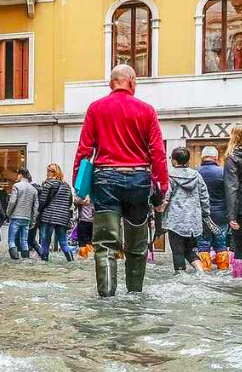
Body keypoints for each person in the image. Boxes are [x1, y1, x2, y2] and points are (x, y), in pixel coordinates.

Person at [73, 64, 168, 296]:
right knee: (136, 245)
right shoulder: (146, 110)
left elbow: (84, 149)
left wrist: (79, 185)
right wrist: (161, 189)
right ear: (132, 82)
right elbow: (157, 152)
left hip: (105, 179)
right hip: (139, 179)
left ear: (111, 83)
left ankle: (106, 298)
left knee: (105, 245)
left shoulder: (96, 108)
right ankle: (135, 294)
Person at [159, 147, 210, 274]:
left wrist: (159, 210)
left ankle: (180, 276)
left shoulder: (169, 175)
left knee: (177, 251)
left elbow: (166, 196)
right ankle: (200, 271)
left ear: (174, 161)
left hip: (175, 221)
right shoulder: (196, 175)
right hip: (193, 221)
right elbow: (204, 196)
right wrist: (205, 214)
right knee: (189, 250)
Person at [196, 145, 229, 271]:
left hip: (201, 215)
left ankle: (205, 271)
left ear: (202, 157)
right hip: (220, 214)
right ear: (216, 158)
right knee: (221, 244)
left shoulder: (195, 172)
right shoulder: (223, 172)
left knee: (203, 244)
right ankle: (223, 270)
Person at [38, 163, 75, 261]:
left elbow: (43, 201)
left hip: (48, 217)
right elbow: (69, 202)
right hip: (62, 218)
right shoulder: (66, 186)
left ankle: (44, 262)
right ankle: (71, 261)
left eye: (48, 171)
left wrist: (39, 211)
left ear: (51, 172)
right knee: (63, 242)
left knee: (45, 242)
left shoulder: (48, 183)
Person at [6, 168, 38, 259]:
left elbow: (12, 202)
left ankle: (15, 260)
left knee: (11, 240)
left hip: (16, 216)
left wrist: (8, 213)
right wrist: (33, 219)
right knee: (24, 241)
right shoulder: (33, 189)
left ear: (20, 175)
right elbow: (36, 206)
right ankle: (25, 259)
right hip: (27, 218)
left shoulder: (17, 186)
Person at [224, 125, 242, 258]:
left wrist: (232, 216)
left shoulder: (232, 158)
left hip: (240, 210)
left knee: (239, 249)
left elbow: (232, 188)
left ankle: (239, 277)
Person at [74, 194, 94, 259]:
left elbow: (75, 202)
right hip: (92, 221)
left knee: (81, 240)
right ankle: (90, 256)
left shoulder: (82, 194)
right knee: (89, 240)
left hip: (83, 220)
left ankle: (83, 256)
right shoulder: (95, 194)